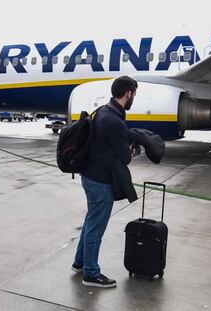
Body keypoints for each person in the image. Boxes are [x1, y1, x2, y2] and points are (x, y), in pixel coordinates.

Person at [72, 76, 138, 288]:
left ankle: (80, 262)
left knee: (91, 221)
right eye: (134, 93)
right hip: (100, 181)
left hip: (89, 175)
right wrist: (133, 148)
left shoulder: (103, 110)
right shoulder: (115, 120)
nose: (134, 97)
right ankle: (91, 274)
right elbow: (126, 157)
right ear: (128, 93)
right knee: (96, 227)